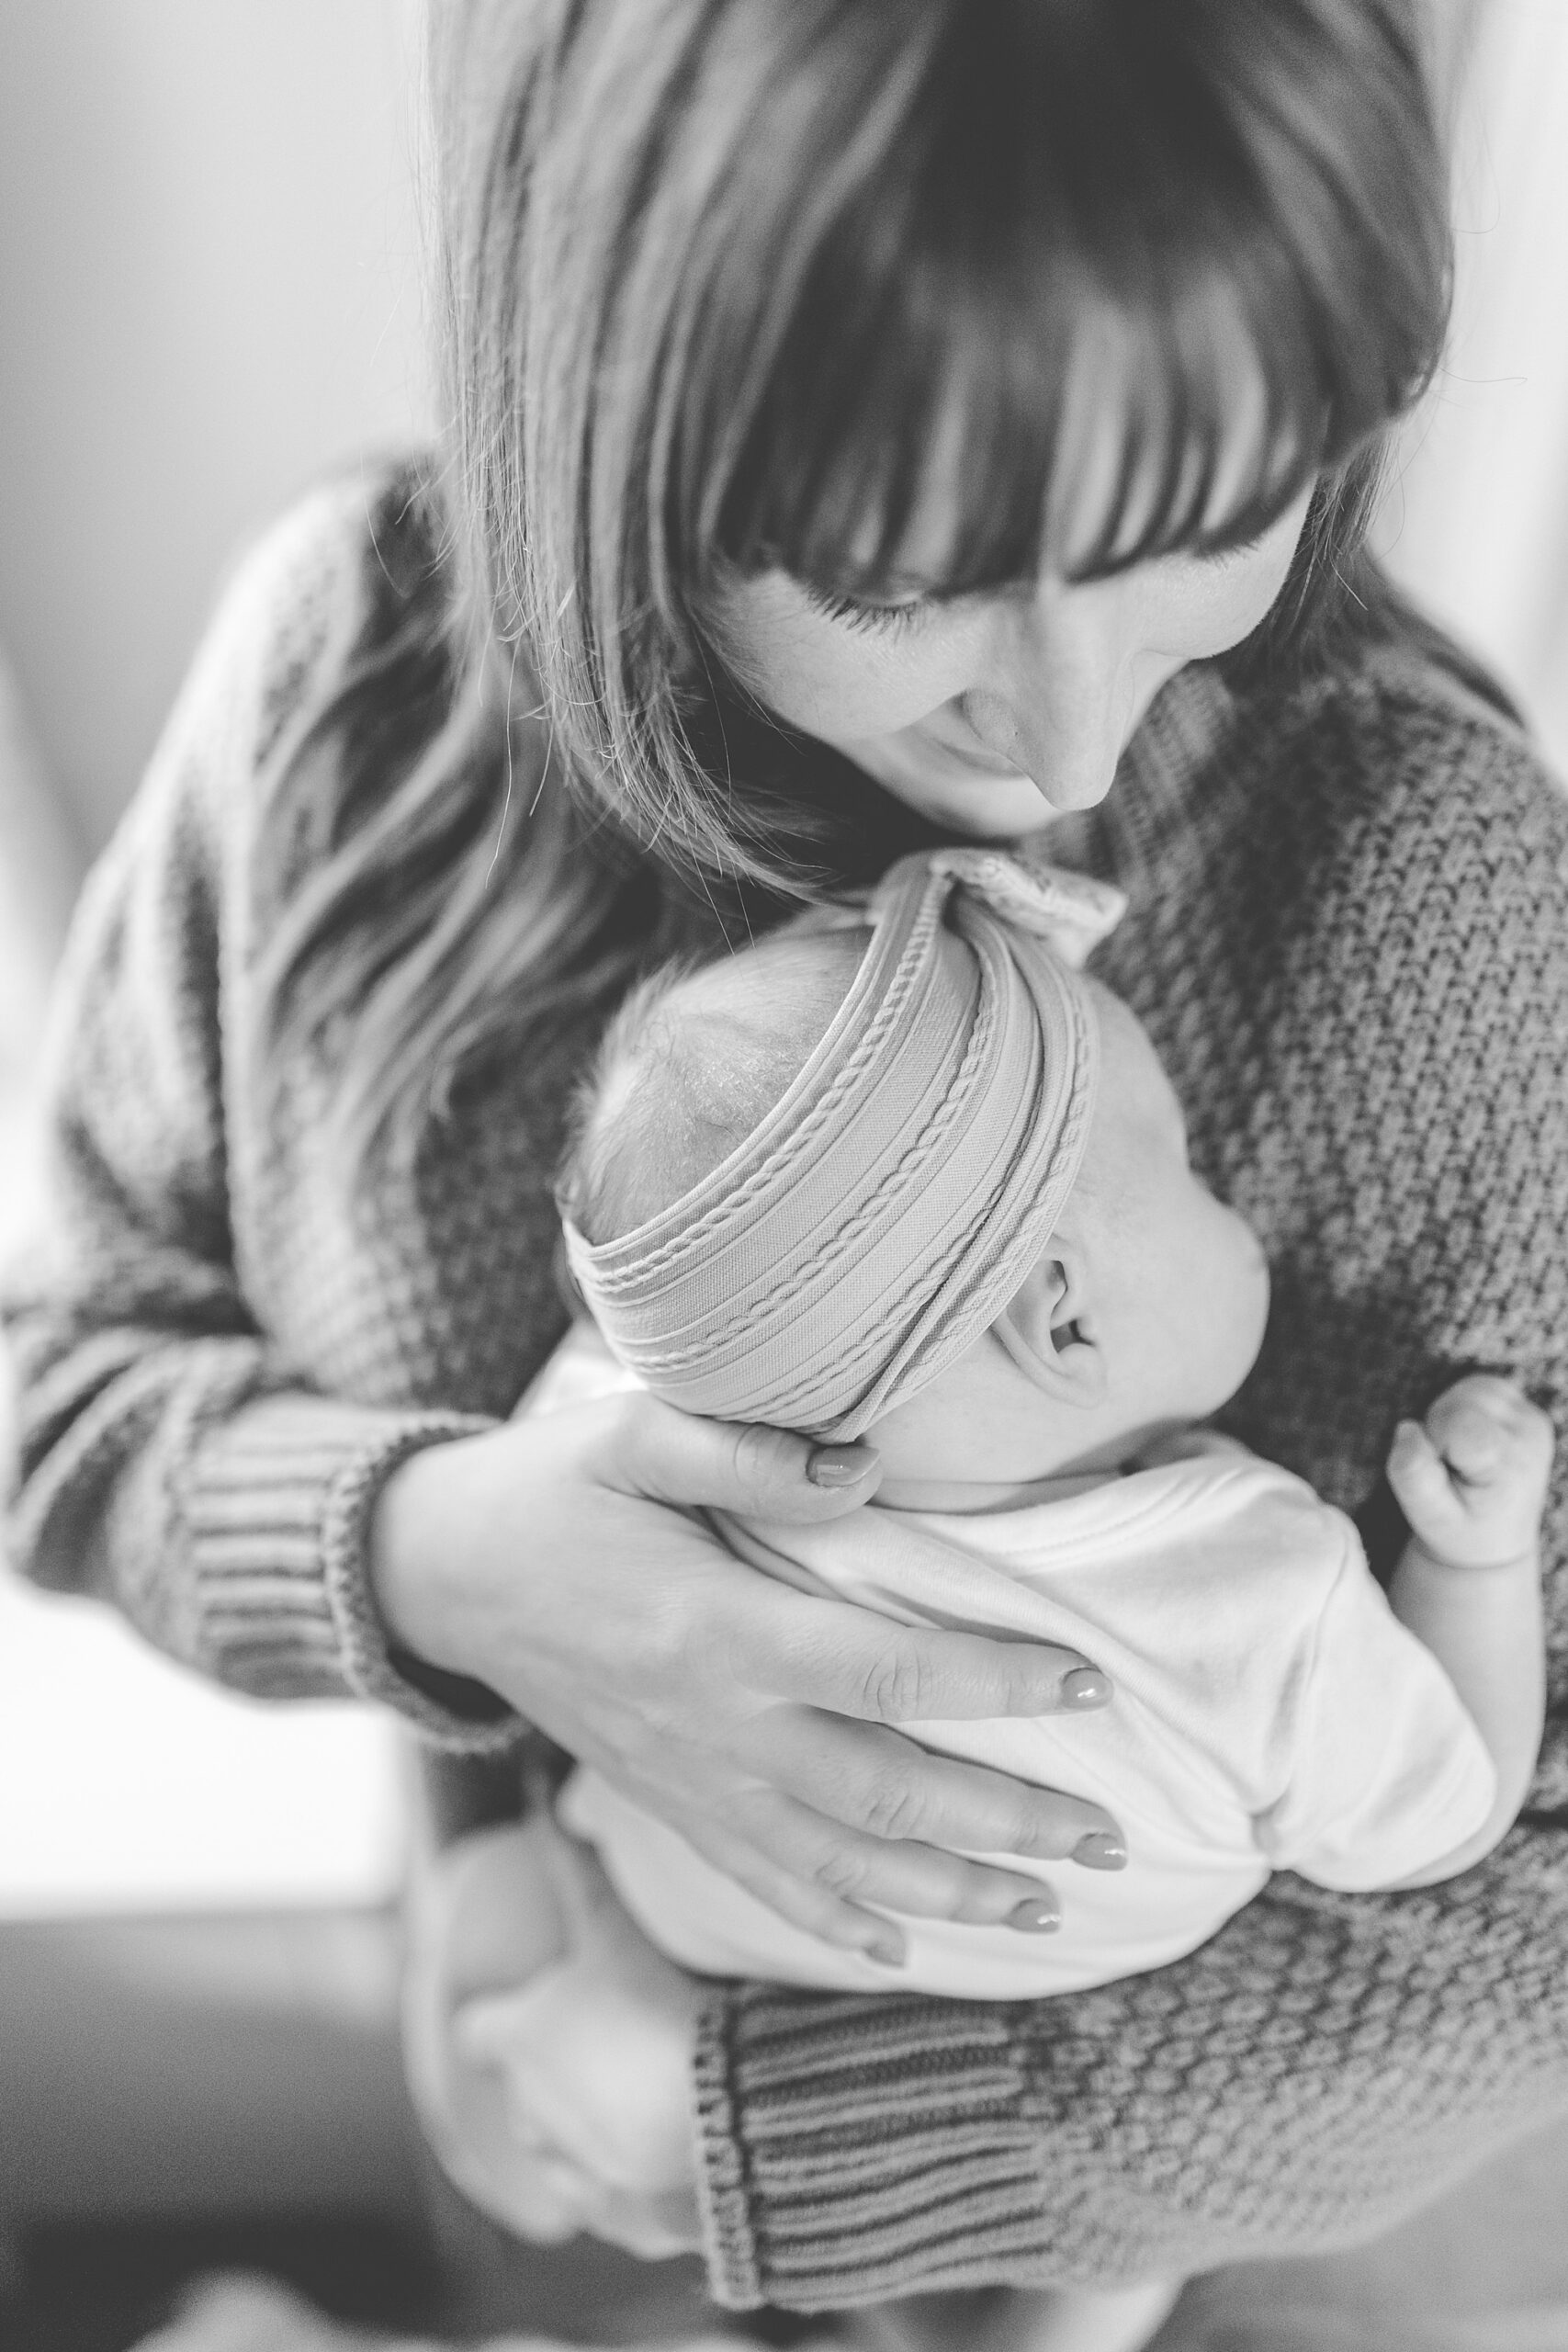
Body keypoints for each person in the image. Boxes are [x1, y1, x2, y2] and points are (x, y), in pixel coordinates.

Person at [4, 0, 1566, 2318]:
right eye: (892, 578)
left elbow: (1527, 1886)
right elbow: (62, 1388)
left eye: (1204, 506)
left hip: (1225, 2257)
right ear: (610, 399)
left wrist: (741, 2125)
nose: (1052, 743)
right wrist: (443, 1558)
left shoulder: (1423, 883)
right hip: (544, 2160)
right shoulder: (344, 714)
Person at [414, 850, 1551, 2352]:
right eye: (1197, 1171)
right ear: (1064, 1314)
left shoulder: (652, 1461)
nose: (1238, 1207)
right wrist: (1473, 1564)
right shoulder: (1248, 1590)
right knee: (1121, 2253)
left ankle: (523, 2124)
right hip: (1030, 2030)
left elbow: (567, 1445)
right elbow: (1451, 1808)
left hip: (680, 1923)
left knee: (480, 1915)